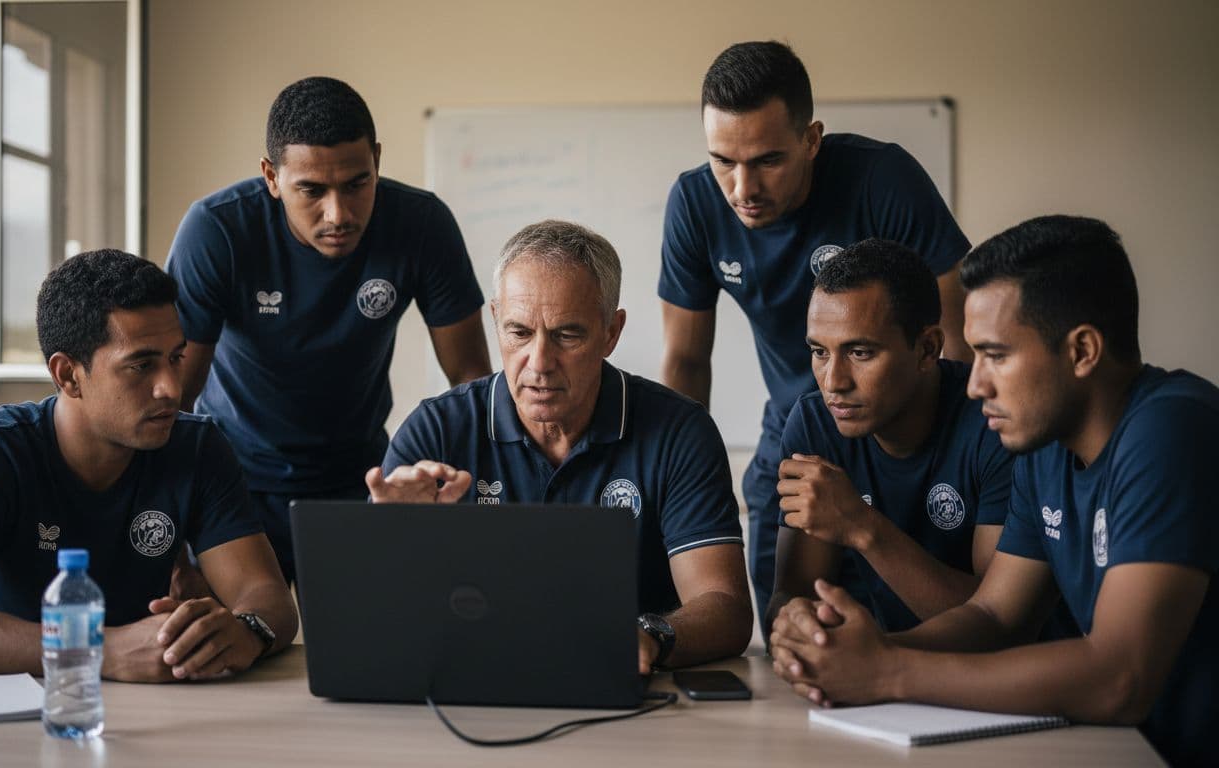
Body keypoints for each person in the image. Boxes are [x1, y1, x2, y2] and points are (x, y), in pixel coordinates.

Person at [768, 216, 1218, 766]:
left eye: (996, 356)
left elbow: (1119, 678)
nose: (976, 384)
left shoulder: (1171, 428)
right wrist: (856, 652)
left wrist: (889, 670)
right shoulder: (1044, 446)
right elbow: (995, 618)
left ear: (1081, 351)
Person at [657, 41, 972, 614]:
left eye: (768, 160)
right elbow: (685, 362)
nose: (743, 189)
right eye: (723, 160)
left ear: (811, 139)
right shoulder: (695, 204)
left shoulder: (883, 179)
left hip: (906, 436)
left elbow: (955, 334)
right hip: (793, 429)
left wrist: (959, 455)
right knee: (788, 626)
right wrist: (680, 487)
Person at [0, 250, 298, 683]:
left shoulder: (198, 448)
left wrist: (244, 630)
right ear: (68, 375)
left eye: (175, 358)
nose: (171, 388)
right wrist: (96, 650)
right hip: (8, 712)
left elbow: (267, 597)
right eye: (141, 365)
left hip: (143, 712)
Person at [367, 220, 752, 674]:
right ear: (495, 320)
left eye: (567, 335)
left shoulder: (679, 432)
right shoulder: (437, 431)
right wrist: (391, 539)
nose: (540, 363)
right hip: (471, 682)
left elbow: (724, 607)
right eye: (519, 332)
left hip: (629, 687)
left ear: (612, 332)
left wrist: (651, 636)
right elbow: (374, 616)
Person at [165, 76, 490, 583]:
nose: (338, 214)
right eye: (311, 191)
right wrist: (174, 522)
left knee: (371, 649)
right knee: (231, 646)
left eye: (357, 184)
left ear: (377, 160)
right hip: (234, 483)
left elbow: (471, 380)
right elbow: (174, 396)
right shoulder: (217, 231)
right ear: (272, 177)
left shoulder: (421, 224)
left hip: (360, 481)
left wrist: (472, 496)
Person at [766, 238, 1011, 636]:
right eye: (819, 352)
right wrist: (803, 632)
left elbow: (998, 624)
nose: (834, 383)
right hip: (883, 676)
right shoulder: (815, 422)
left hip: (1003, 687)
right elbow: (792, 597)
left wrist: (863, 527)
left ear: (928, 348)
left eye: (860, 352)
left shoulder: (994, 420)